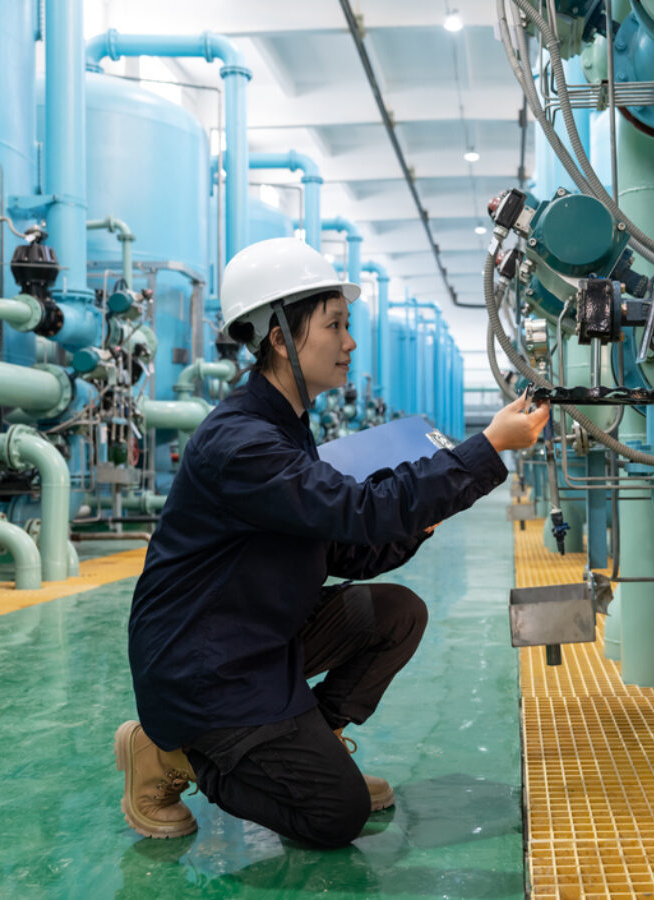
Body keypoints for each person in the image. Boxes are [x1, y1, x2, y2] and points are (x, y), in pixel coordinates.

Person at [115, 237, 550, 848]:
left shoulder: (286, 429)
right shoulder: (242, 443)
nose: (349, 343)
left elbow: (339, 547)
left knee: (396, 614)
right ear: (278, 336)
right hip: (207, 667)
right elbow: (358, 509)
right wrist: (488, 448)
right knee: (335, 817)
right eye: (335, 326)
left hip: (257, 633)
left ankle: (307, 748)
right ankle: (173, 755)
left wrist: (419, 520)